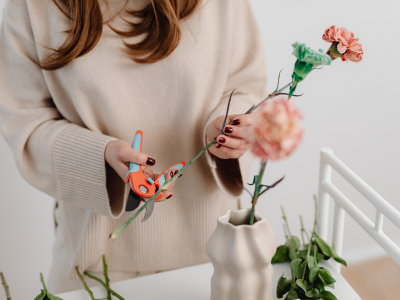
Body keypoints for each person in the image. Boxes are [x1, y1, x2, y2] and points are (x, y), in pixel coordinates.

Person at [0, 0, 267, 294]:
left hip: (214, 254)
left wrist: (231, 127)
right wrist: (98, 156)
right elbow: (26, 123)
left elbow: (246, 83)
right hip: (95, 262)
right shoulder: (31, 7)